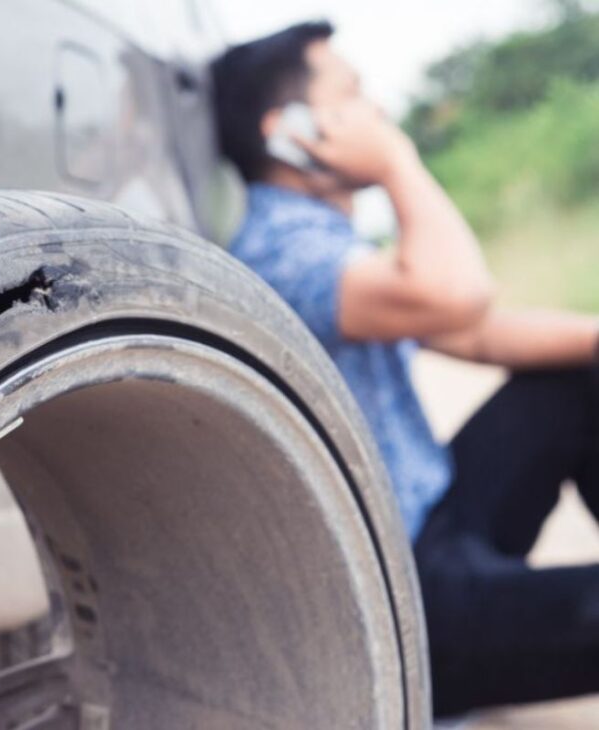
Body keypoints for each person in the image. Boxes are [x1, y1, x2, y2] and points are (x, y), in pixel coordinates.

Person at [211, 21, 599, 719]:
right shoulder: (280, 249)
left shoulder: (329, 240)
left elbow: (475, 334)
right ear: (289, 130)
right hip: (400, 596)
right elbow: (458, 294)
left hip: (435, 520)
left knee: (580, 375)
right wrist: (397, 162)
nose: (378, 114)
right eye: (354, 96)